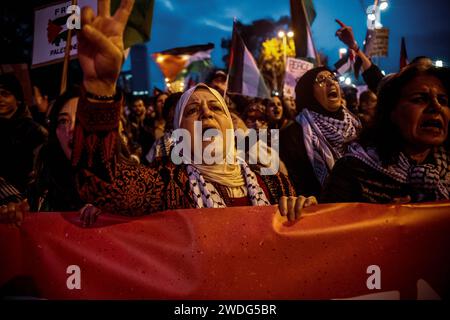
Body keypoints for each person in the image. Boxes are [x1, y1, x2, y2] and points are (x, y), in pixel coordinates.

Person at [73, 0, 316, 221]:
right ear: (179, 133)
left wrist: (304, 212)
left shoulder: (276, 184)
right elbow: (102, 183)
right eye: (191, 111)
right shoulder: (166, 189)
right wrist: (100, 87)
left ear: (230, 125)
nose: (206, 114)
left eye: (214, 108)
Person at [321, 64, 450, 203]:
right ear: (391, 112)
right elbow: (334, 221)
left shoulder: (446, 165)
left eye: (443, 100)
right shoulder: (354, 170)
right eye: (419, 99)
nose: (437, 107)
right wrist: (382, 218)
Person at [279, 67, 362, 198]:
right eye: (321, 80)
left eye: (333, 78)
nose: (331, 82)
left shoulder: (358, 125)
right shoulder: (291, 134)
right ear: (308, 93)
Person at [30, 87, 102, 226]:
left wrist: (109, 210)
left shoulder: (124, 181)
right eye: (63, 121)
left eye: (82, 118)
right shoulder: (42, 188)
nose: (71, 129)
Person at [0, 74, 48, 194]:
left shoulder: (34, 130)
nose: (0, 99)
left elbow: (42, 171)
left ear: (18, 98)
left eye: (5, 94)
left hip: (25, 197)